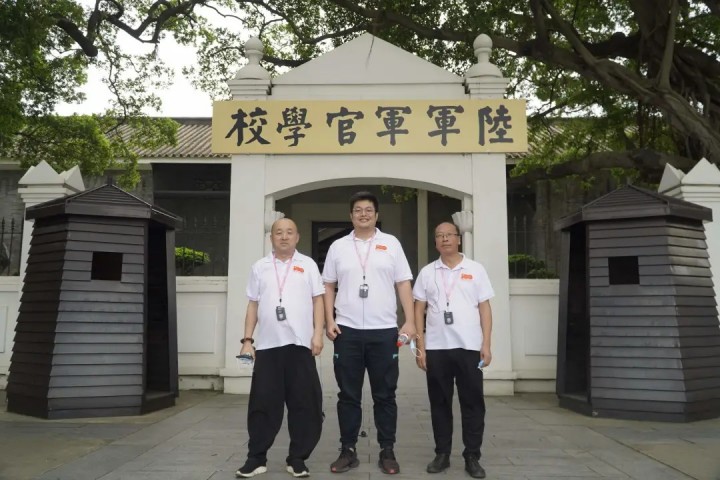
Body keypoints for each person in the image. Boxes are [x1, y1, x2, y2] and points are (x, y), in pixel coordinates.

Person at [323, 191, 416, 475]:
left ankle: (387, 450)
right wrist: (329, 319)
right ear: (351, 215)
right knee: (348, 395)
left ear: (376, 215)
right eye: (358, 210)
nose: (363, 214)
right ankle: (348, 450)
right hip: (347, 331)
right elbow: (328, 285)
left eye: (368, 210)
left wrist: (410, 321)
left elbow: (403, 283)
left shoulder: (391, 244)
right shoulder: (338, 246)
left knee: (385, 395)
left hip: (383, 331)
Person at [235, 218, 325, 479]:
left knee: (305, 404)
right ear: (271, 238)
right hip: (268, 347)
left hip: (300, 346)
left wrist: (317, 334)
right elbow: (253, 304)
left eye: (289, 232)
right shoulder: (260, 267)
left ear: (297, 237)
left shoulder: (308, 265)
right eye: (279, 233)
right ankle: (256, 458)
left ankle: (298, 459)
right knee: (263, 403)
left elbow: (318, 301)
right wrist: (247, 340)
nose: (284, 237)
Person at [412, 222, 494, 479]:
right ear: (435, 242)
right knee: (439, 402)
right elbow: (418, 310)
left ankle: (472, 455)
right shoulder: (427, 272)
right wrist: (420, 347)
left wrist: (486, 344)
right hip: (437, 348)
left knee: (473, 402)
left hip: (470, 348)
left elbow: (485, 308)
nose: (444, 239)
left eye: (449, 235)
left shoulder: (475, 269)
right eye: (439, 236)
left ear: (458, 239)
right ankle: (442, 454)